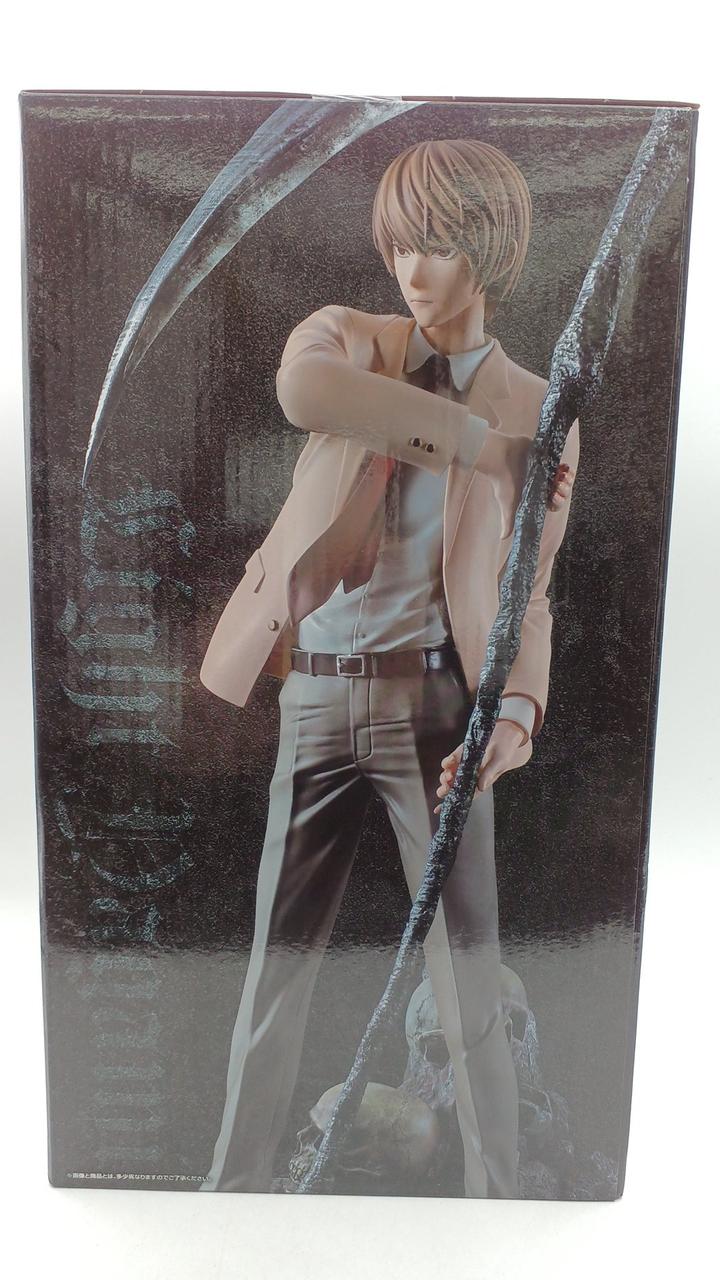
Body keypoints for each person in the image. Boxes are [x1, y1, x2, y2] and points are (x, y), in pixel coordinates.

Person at [198, 138, 579, 1198]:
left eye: (441, 245)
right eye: (402, 243)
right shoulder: (348, 343)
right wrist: (478, 444)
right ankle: (230, 1196)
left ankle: (500, 1202)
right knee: (274, 974)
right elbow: (301, 389)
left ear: (488, 251)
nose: (414, 269)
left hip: (439, 706)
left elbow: (530, 593)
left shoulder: (541, 407)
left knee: (470, 987)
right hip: (315, 692)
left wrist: (516, 713)